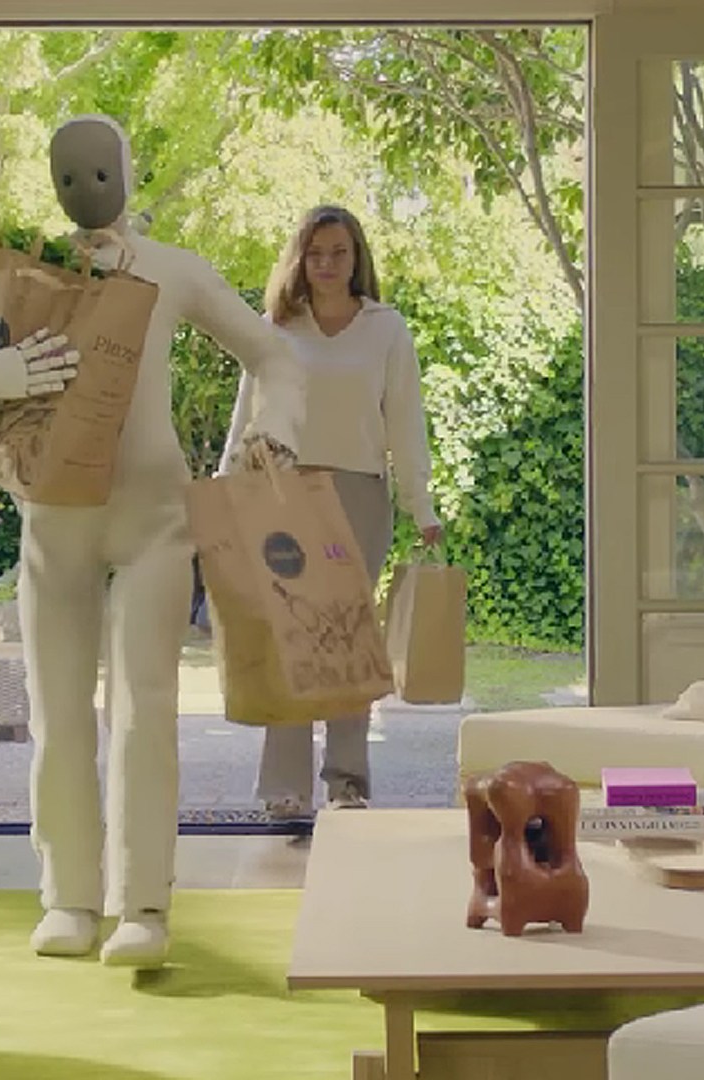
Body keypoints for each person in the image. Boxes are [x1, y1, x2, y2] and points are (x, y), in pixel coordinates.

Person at [0, 115, 304, 968]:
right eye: (70, 172)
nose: (87, 185)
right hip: (54, 523)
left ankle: (143, 904)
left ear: (127, 170)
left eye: (101, 168)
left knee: (145, 709)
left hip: (153, 522)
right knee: (56, 715)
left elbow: (272, 355)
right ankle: (67, 895)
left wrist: (272, 430)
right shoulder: (23, 274)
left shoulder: (173, 272)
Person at [219, 204, 441, 820]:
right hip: (285, 492)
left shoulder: (386, 329)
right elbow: (247, 413)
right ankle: (284, 787)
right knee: (288, 636)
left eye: (338, 252)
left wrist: (420, 504)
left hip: (359, 496)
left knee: (347, 641)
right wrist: (226, 489)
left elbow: (405, 423)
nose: (326, 264)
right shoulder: (276, 327)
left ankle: (347, 782)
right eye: (315, 253)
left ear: (356, 257)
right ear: (300, 259)